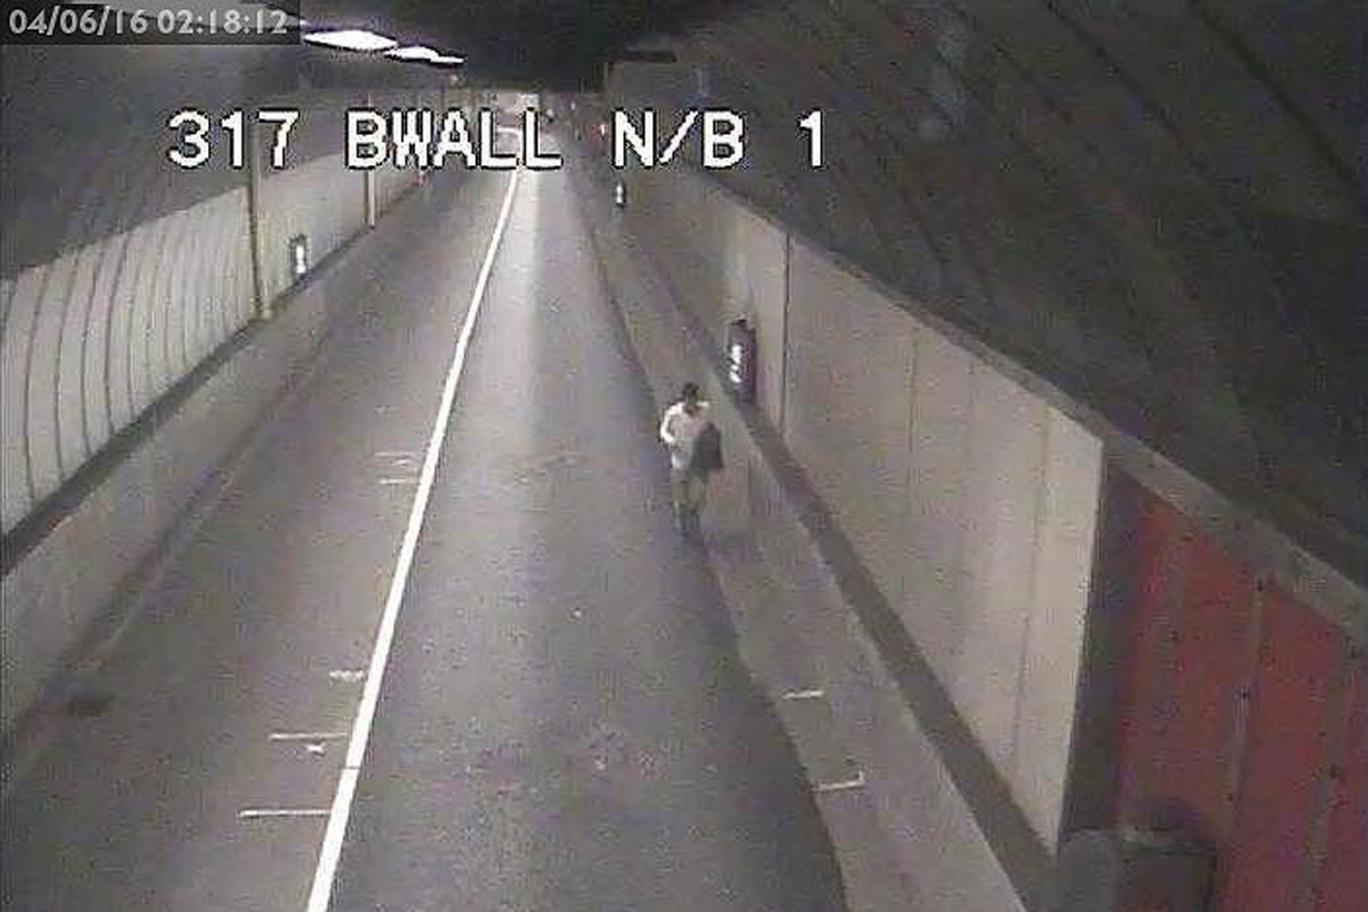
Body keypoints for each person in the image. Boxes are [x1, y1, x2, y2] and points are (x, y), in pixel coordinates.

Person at [659, 382, 721, 538]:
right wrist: (671, 441)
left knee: (699, 494)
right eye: (688, 401)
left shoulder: (706, 411)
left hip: (699, 462)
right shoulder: (674, 414)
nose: (691, 404)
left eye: (693, 401)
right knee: (680, 496)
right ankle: (681, 517)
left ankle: (693, 512)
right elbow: (663, 430)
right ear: (684, 400)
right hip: (680, 462)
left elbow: (712, 429)